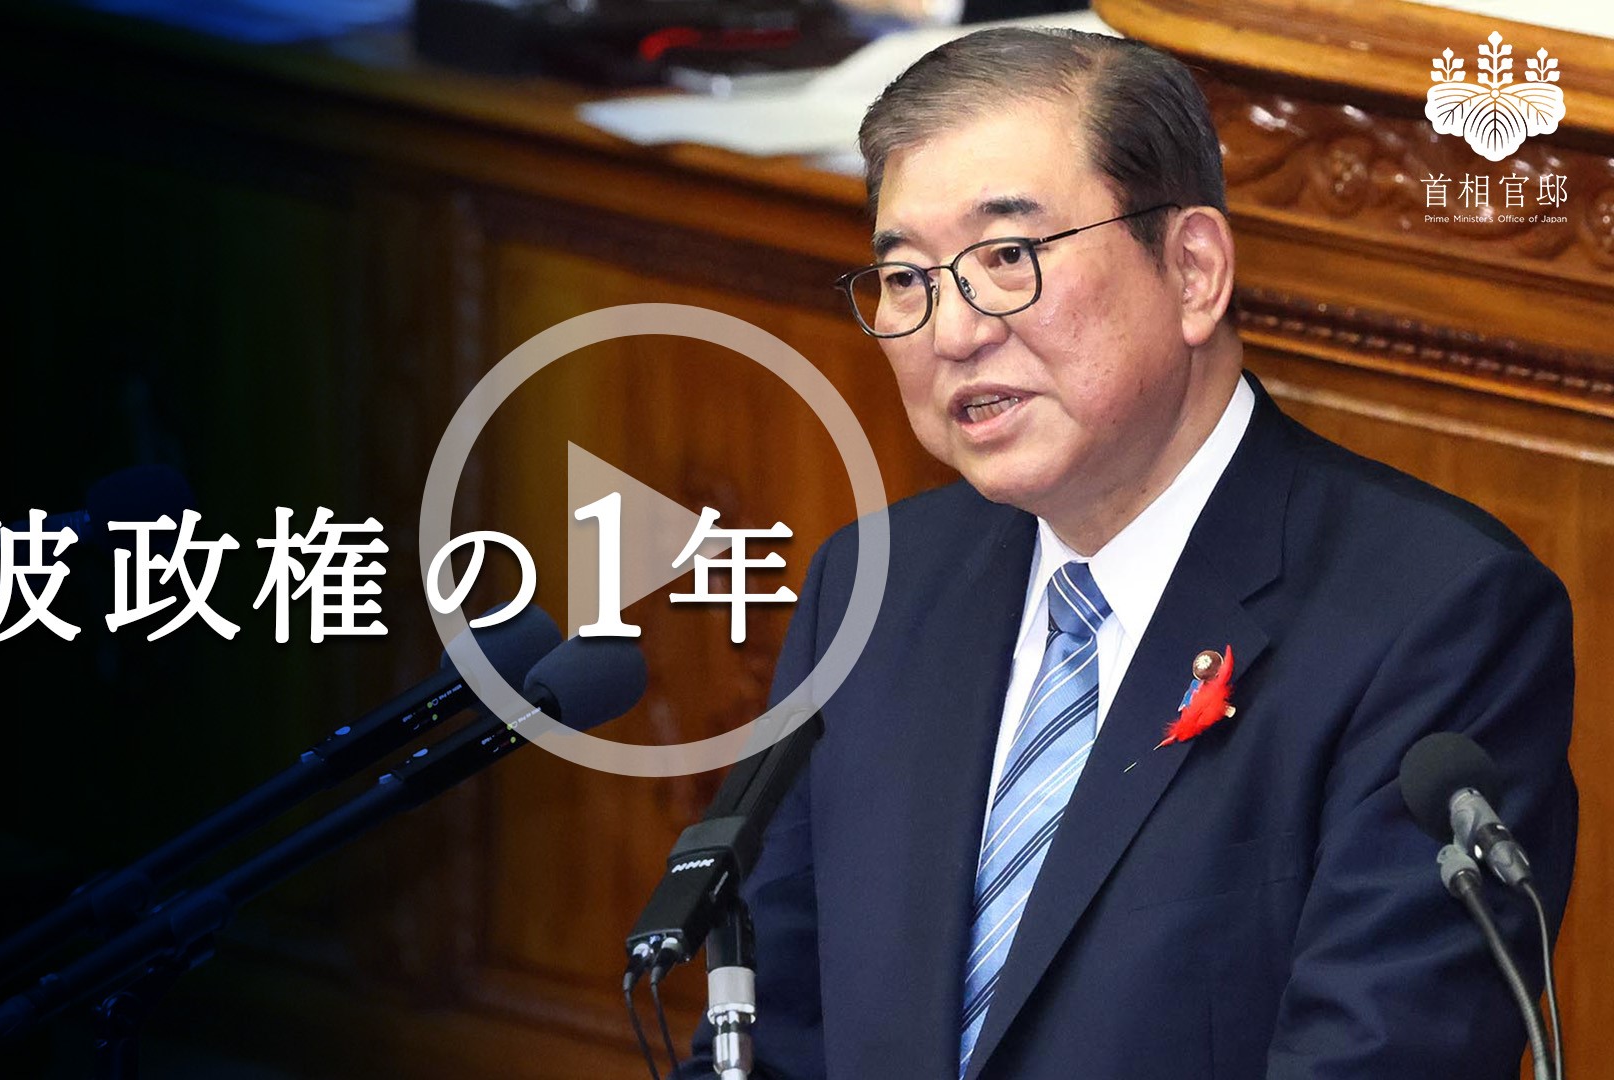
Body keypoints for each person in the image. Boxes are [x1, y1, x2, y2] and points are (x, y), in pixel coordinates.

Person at [676, 26, 1577, 1080]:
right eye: (907, 277)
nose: (951, 333)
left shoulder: (1438, 620)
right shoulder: (875, 588)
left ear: (1193, 271)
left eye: (1008, 258)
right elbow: (767, 1038)